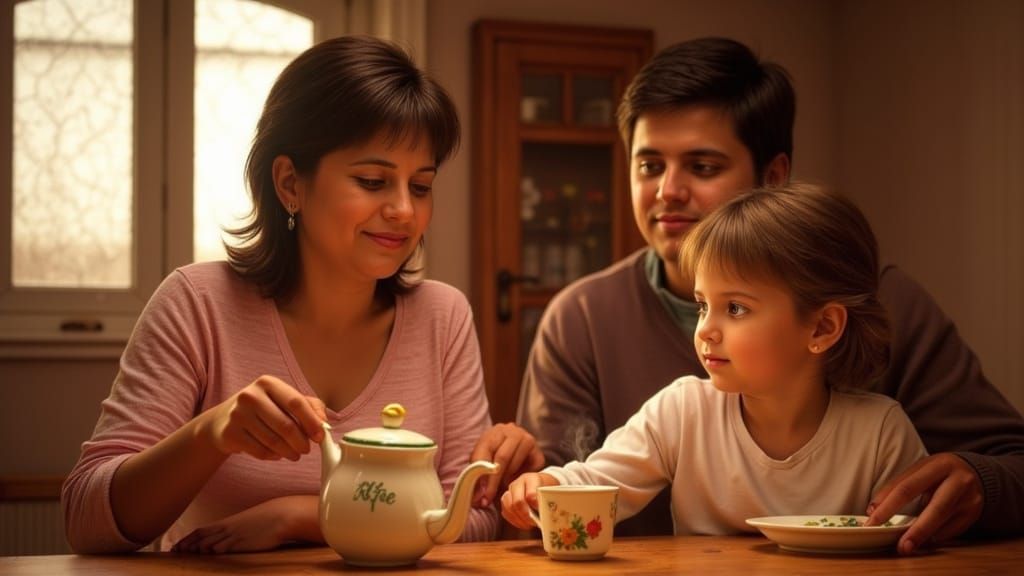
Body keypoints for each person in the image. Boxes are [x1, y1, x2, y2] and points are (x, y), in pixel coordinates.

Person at [516, 37, 1024, 553]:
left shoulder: (881, 304)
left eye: (703, 166)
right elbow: (561, 485)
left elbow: (1007, 464)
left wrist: (982, 483)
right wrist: (525, 478)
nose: (668, 190)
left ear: (773, 177)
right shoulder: (580, 318)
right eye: (649, 165)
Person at [62, 35, 500, 554]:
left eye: (421, 186)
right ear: (290, 183)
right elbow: (86, 521)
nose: (404, 210)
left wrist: (305, 516)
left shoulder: (443, 316)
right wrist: (212, 434)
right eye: (372, 180)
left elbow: (472, 517)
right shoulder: (197, 302)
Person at [503, 184, 928, 535]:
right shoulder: (683, 412)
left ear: (821, 329)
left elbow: (918, 535)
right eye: (703, 305)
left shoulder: (881, 434)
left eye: (736, 308)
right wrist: (547, 482)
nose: (704, 328)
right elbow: (599, 480)